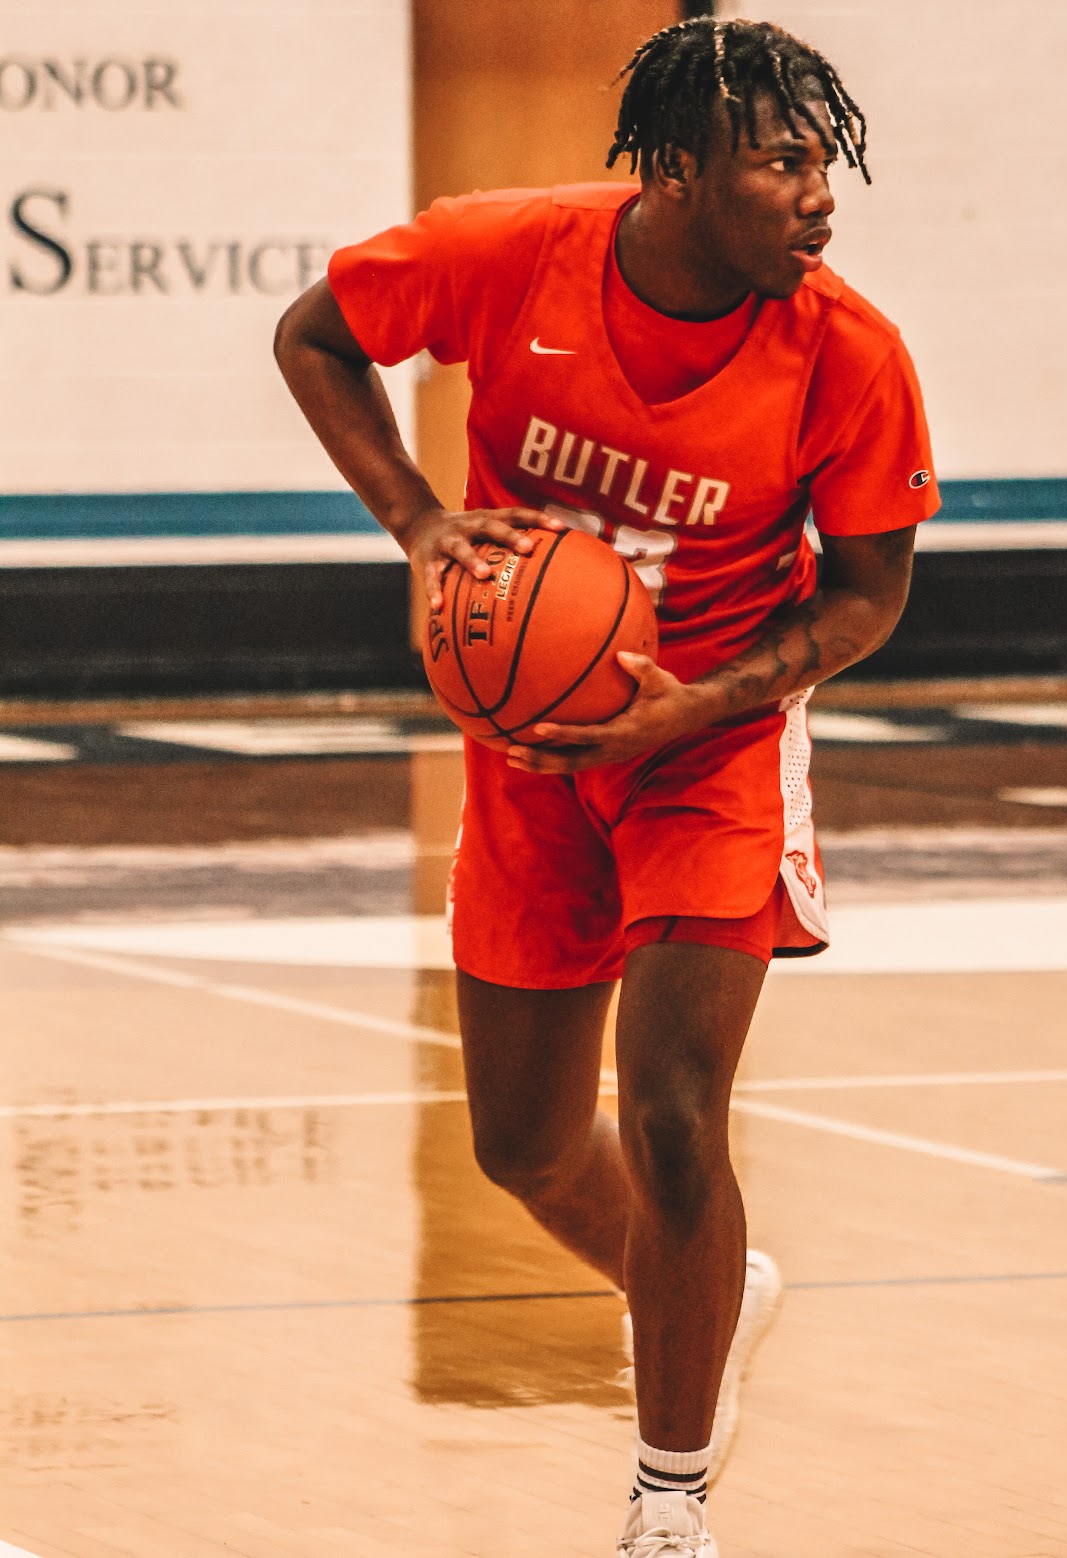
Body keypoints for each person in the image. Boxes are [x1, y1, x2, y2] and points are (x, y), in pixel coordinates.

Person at [275, 16, 939, 1555]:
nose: (819, 194)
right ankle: (708, 1282)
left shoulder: (848, 350)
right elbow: (317, 333)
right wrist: (420, 523)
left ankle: (670, 1500)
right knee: (519, 1143)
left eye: (823, 162)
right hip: (529, 754)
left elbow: (866, 597)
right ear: (686, 169)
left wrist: (692, 707)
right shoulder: (509, 255)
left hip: (705, 749)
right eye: (786, 162)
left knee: (677, 1117)